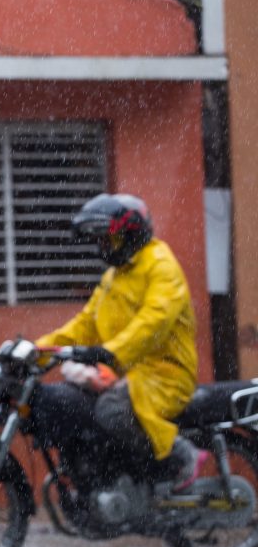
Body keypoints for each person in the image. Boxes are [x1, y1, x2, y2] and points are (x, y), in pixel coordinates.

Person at [35, 193, 209, 491]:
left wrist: (110, 352)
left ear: (132, 233)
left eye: (108, 239)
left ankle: (179, 456)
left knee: (111, 411)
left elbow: (153, 322)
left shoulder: (161, 266)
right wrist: (35, 350)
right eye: (100, 240)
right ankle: (114, 477)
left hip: (165, 375)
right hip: (128, 373)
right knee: (76, 403)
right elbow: (86, 323)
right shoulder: (117, 274)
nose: (102, 247)